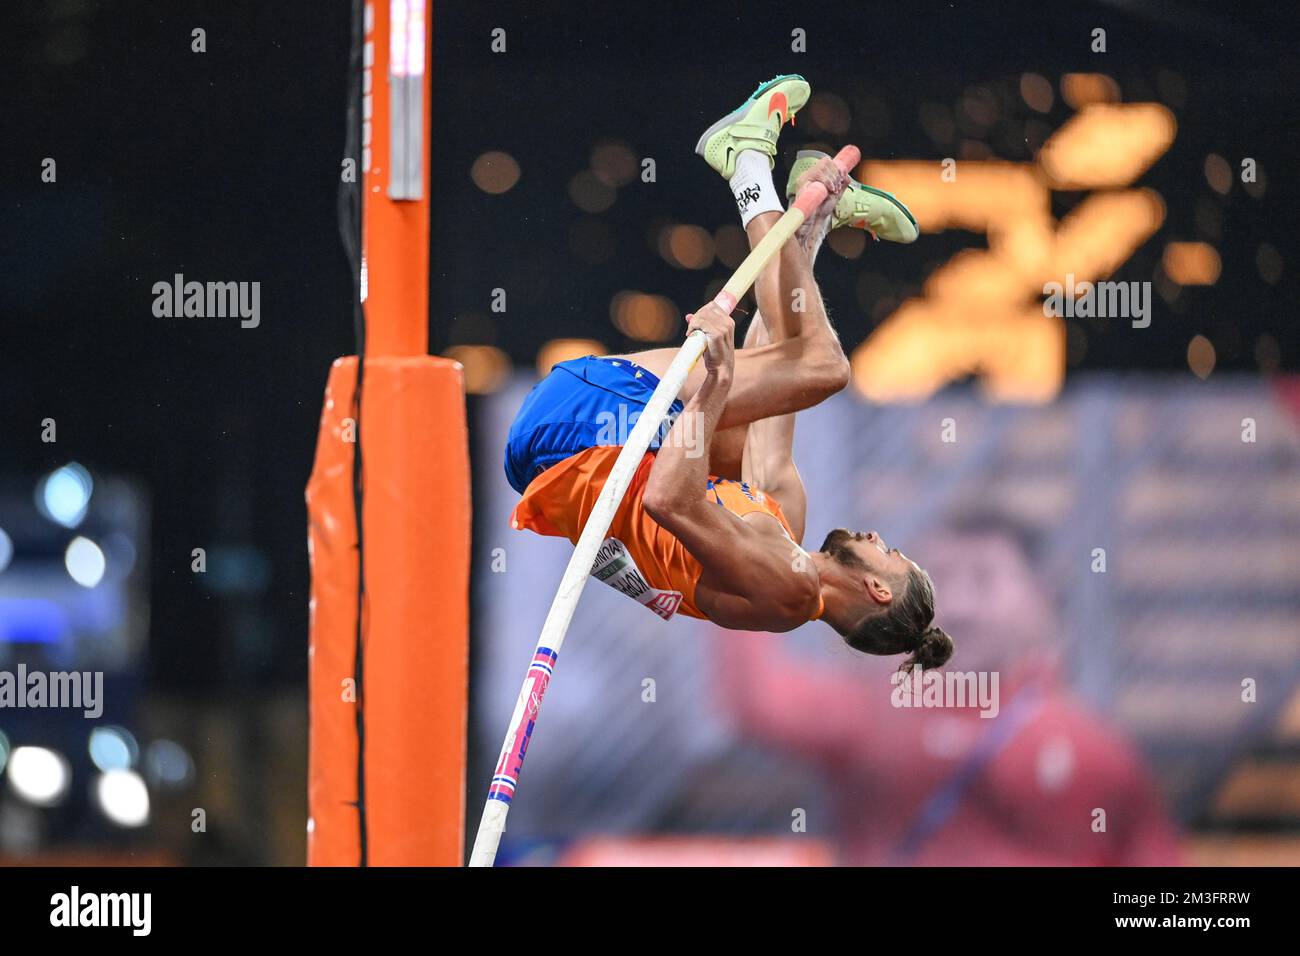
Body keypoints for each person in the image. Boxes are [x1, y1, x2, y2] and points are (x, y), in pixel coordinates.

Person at [504, 75, 949, 670]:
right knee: (784, 389)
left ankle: (743, 161)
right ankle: (813, 221)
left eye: (889, 551)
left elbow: (666, 497)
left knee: (824, 368)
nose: (876, 539)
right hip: (566, 443)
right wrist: (805, 232)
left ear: (879, 590)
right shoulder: (783, 533)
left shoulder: (788, 593)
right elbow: (775, 356)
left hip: (584, 435)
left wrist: (715, 381)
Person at [716, 515, 1183, 866]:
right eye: (936, 582)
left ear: (1041, 597)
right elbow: (760, 700)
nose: (957, 605)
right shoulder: (872, 715)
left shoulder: (1095, 749)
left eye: (982, 579)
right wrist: (730, 541)